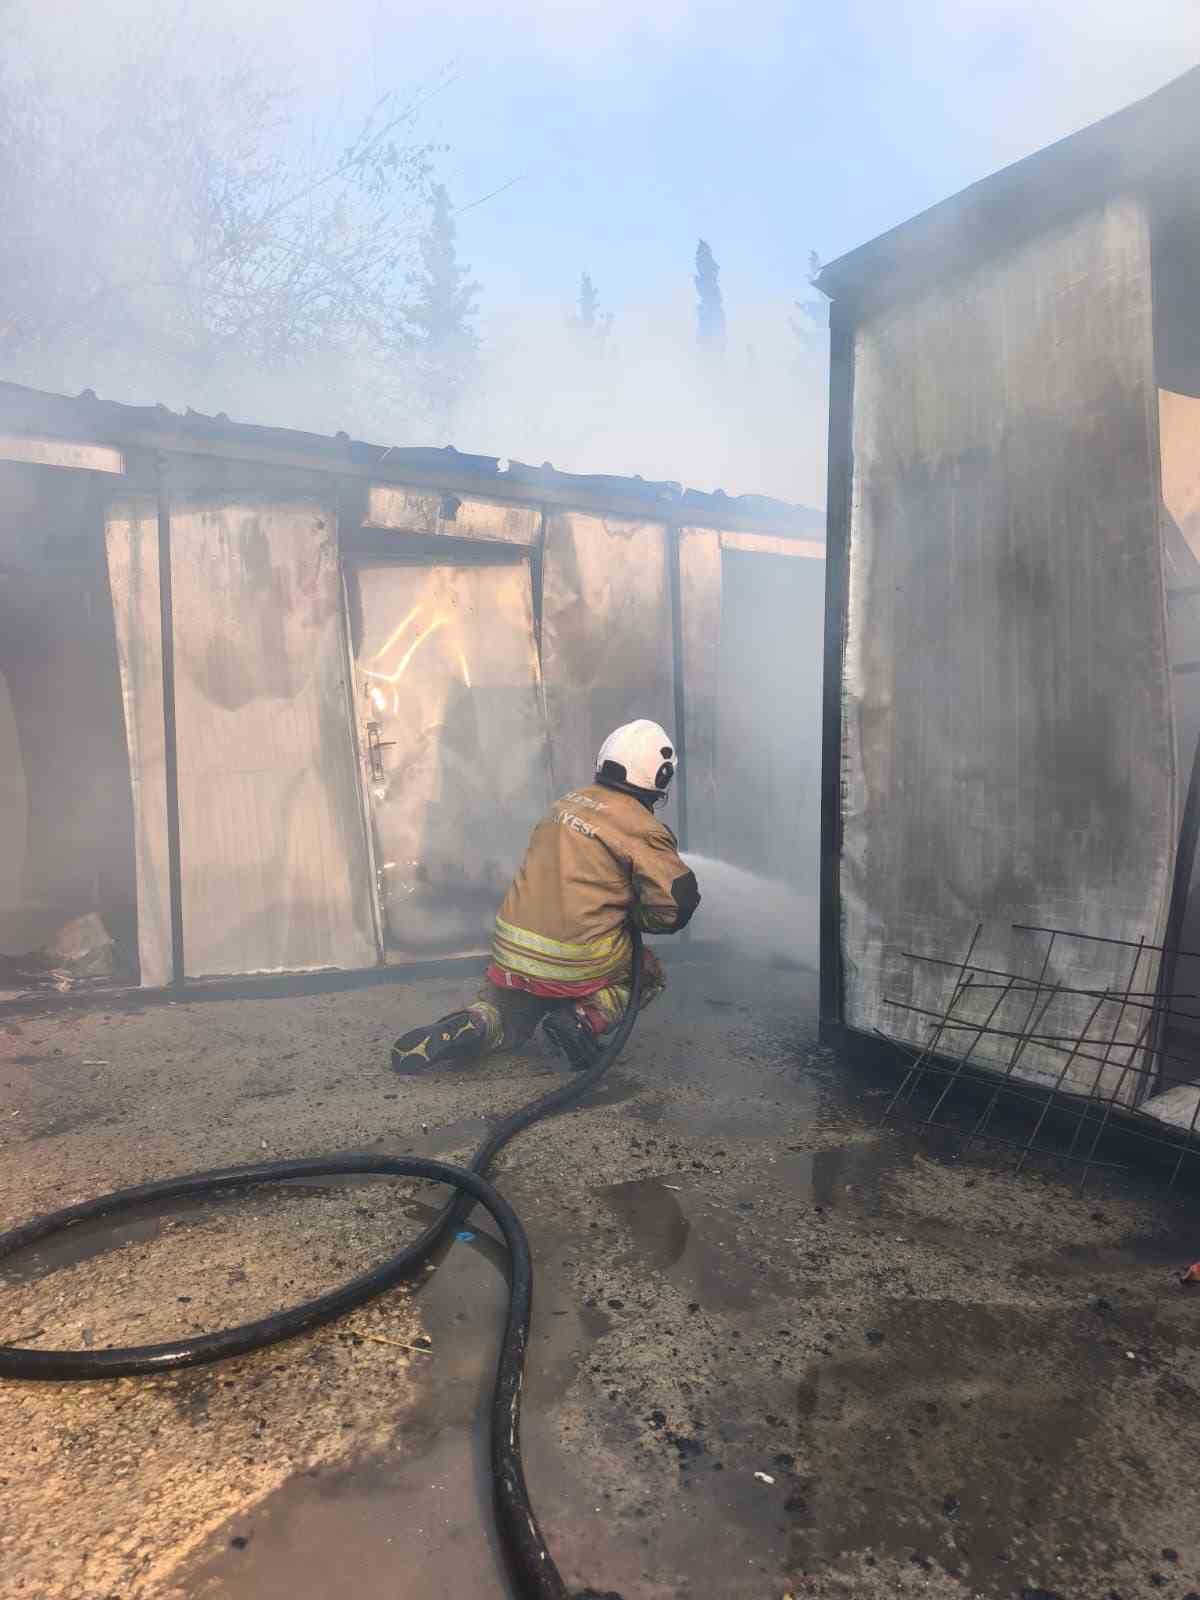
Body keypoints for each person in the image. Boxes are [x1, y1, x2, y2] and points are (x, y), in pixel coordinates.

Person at [391, 719, 701, 1073]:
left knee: (514, 1017)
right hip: (575, 956)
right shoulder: (642, 828)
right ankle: (582, 1019)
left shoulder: (566, 804)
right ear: (659, 777)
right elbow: (675, 908)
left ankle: (479, 1021)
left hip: (512, 950)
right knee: (647, 973)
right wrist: (636, 916)